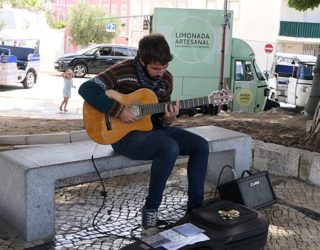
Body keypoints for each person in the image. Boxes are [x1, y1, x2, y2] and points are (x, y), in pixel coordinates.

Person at [78, 34, 209, 235]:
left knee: (201, 145)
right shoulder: (123, 71)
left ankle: (195, 208)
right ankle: (150, 211)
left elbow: (159, 120)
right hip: (122, 136)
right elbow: (87, 89)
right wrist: (119, 111)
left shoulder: (166, 79)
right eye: (156, 68)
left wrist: (168, 119)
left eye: (164, 67)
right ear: (142, 59)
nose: (161, 73)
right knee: (168, 147)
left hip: (154, 131)